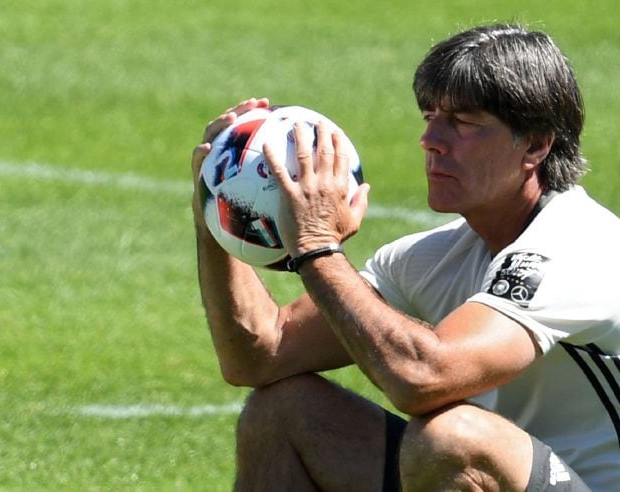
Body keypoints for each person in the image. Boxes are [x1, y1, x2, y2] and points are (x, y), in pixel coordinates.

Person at [191, 24, 620, 491]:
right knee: (281, 412)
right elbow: (259, 356)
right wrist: (213, 212)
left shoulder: (576, 247)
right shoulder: (434, 256)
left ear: (536, 144)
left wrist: (317, 246)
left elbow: (423, 377)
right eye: (429, 116)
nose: (430, 139)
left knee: (452, 440)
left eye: (462, 122)